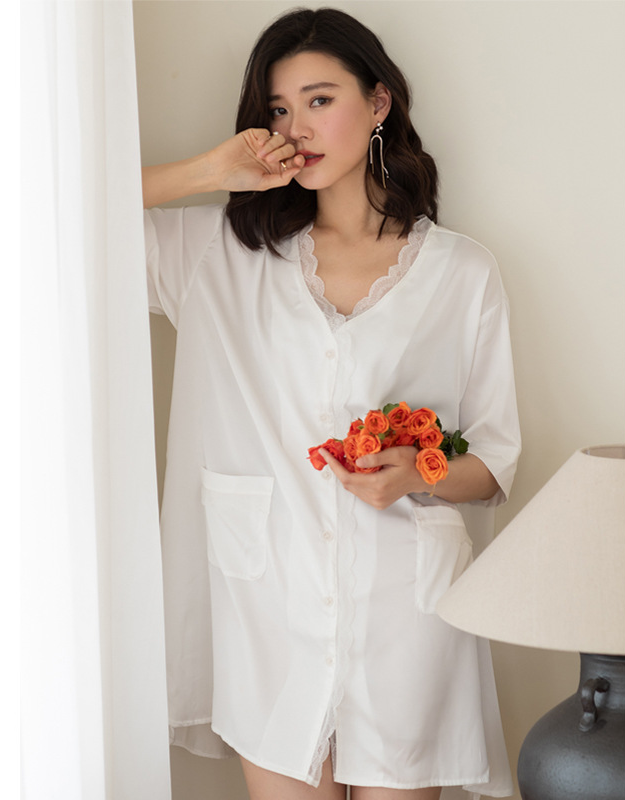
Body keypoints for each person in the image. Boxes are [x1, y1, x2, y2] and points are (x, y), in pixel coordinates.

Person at [142, 8, 521, 800]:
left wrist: (415, 473)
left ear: (379, 102)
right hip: (266, 611)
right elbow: (47, 216)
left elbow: (494, 463)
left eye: (320, 100)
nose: (297, 128)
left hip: (407, 617)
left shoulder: (462, 273)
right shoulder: (216, 254)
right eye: (279, 109)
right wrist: (211, 171)